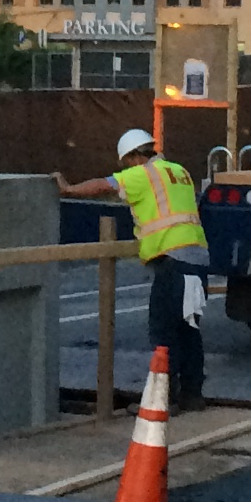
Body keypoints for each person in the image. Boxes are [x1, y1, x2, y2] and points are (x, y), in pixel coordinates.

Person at [59, 126, 209, 410]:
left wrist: (67, 189)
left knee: (163, 332)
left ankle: (164, 399)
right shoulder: (179, 171)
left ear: (134, 157)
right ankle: (193, 395)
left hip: (172, 259)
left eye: (126, 162)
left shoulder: (144, 174)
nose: (126, 168)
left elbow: (104, 185)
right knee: (189, 328)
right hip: (197, 259)